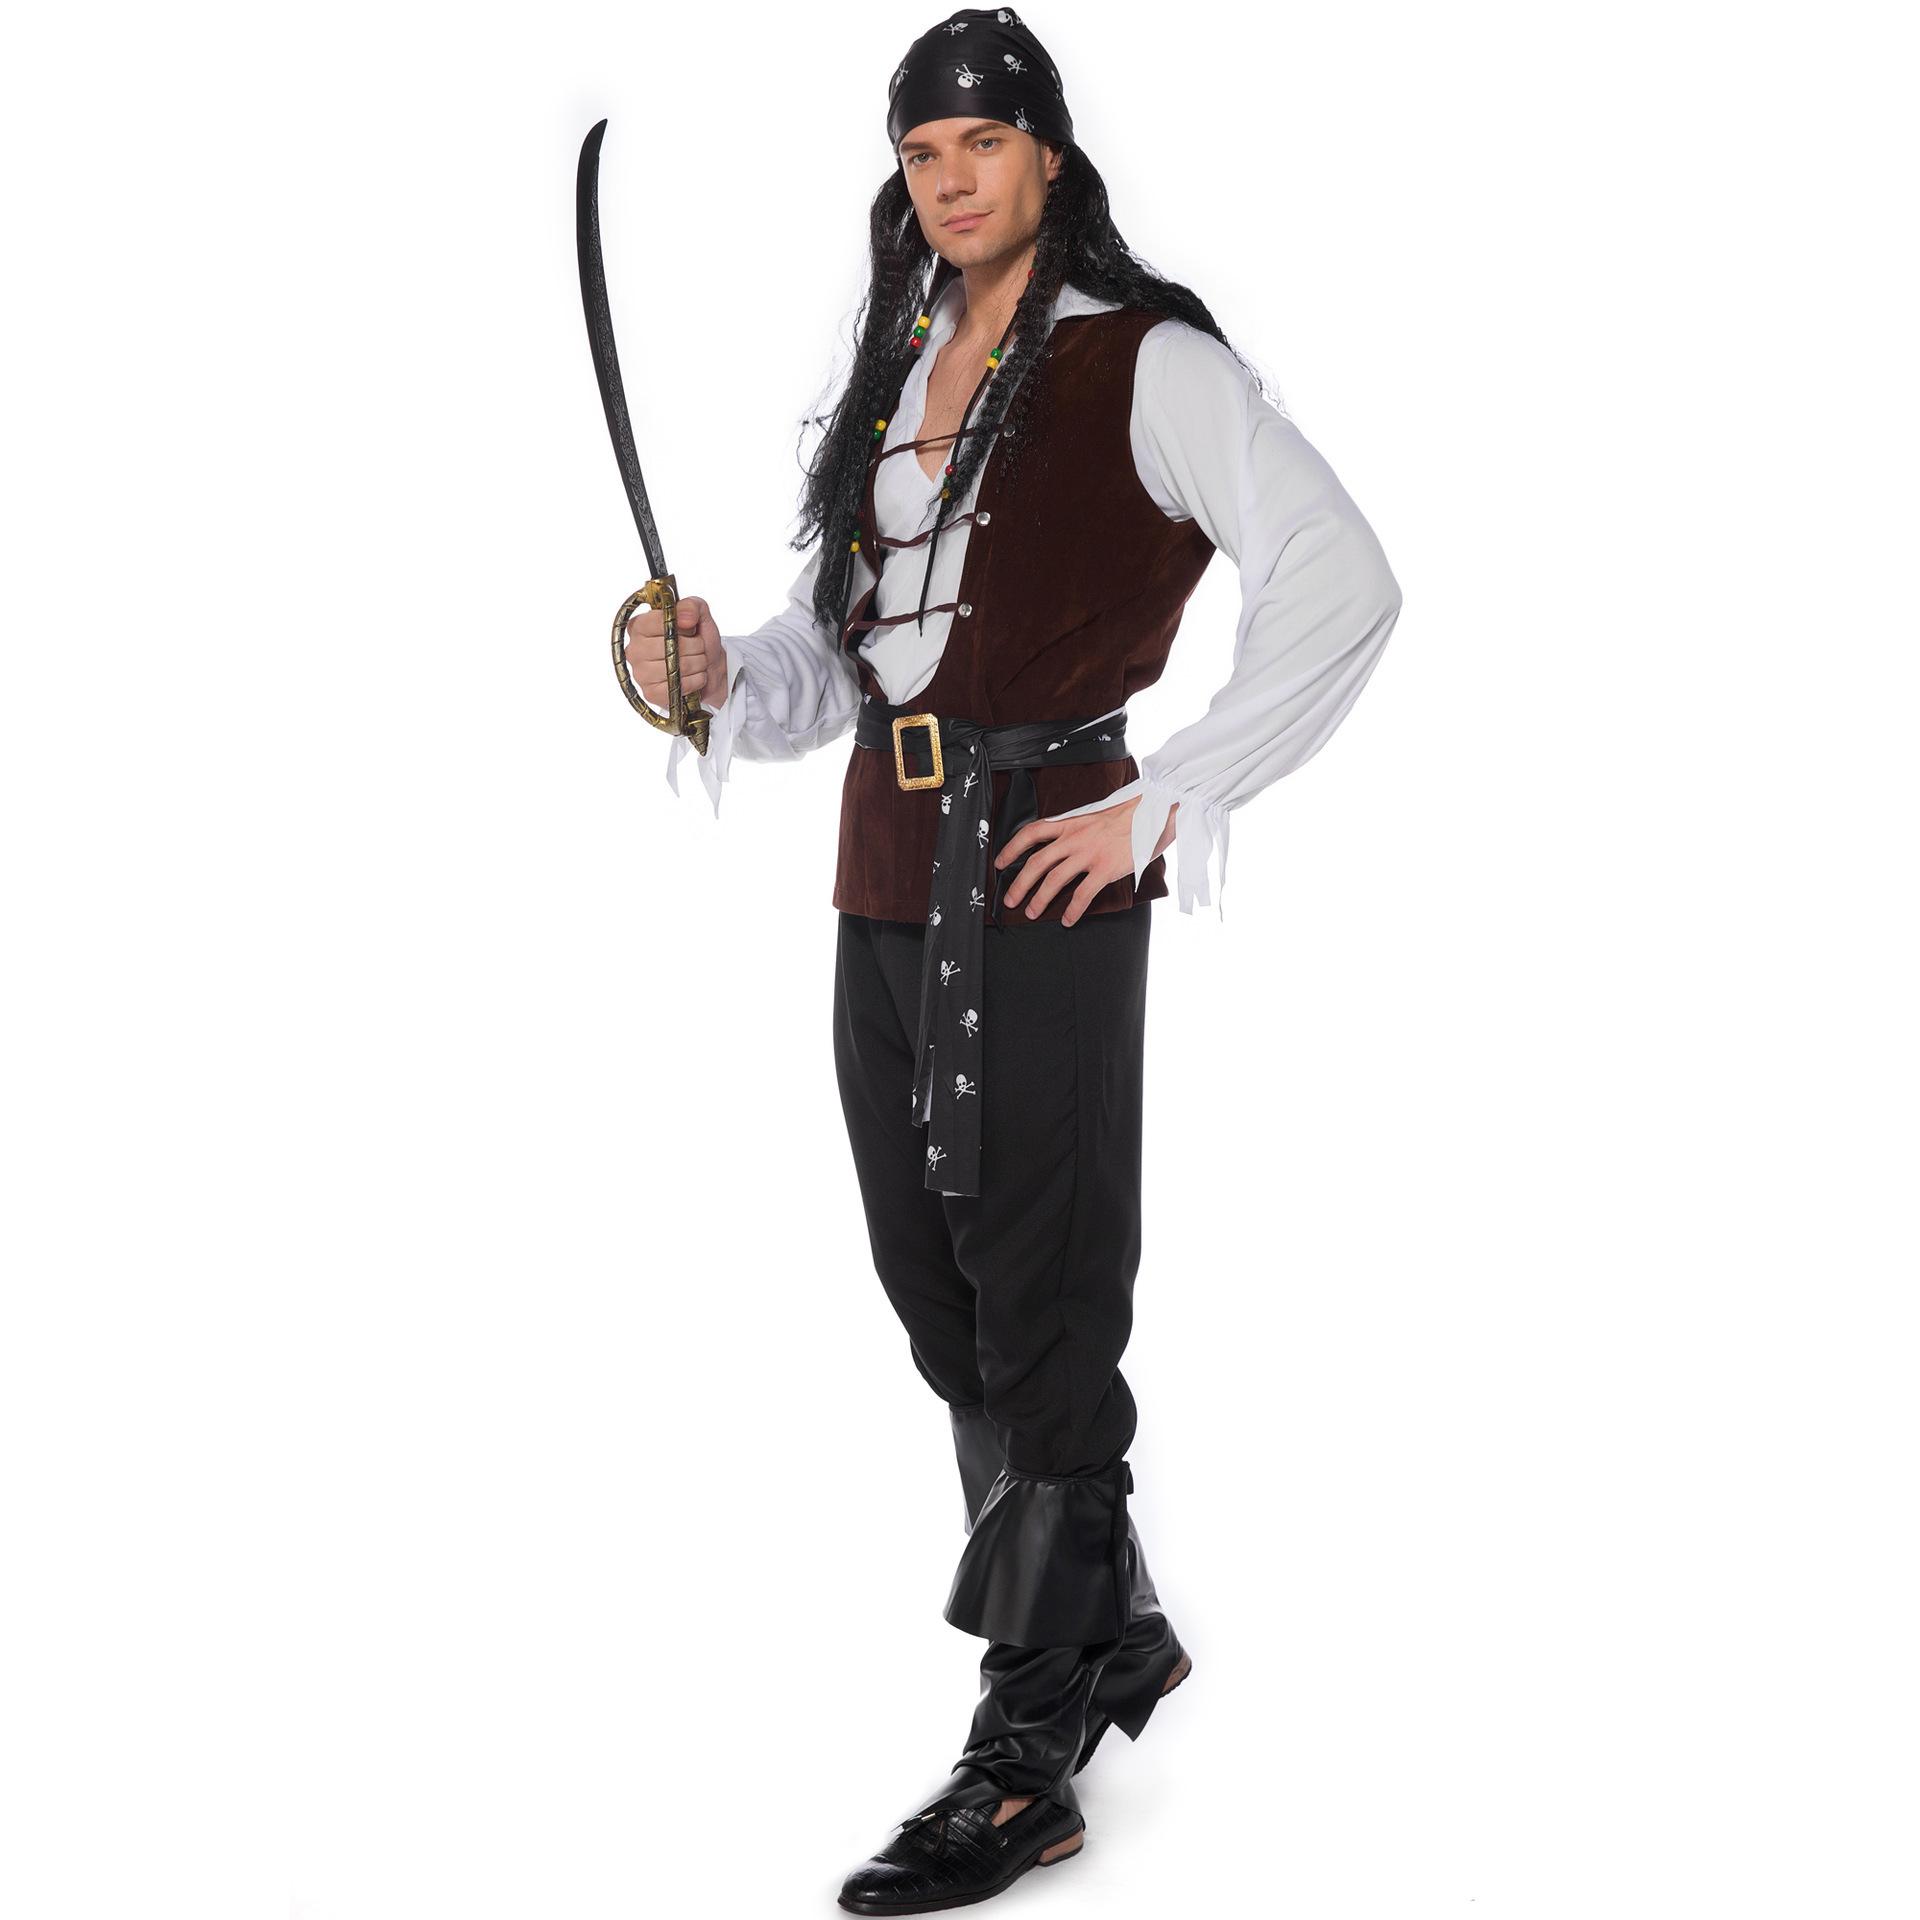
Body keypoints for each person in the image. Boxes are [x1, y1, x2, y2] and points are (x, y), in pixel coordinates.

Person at [624, 9, 1402, 1910]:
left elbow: (1343, 575)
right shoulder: (903, 365)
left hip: (1043, 877)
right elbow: (842, 666)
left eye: (982, 142)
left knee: (1042, 1298)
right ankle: (1108, 1619)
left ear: (1049, 151)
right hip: (885, 870)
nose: (950, 178)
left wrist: (1164, 799)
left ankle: (1028, 1750)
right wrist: (712, 672)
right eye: (921, 153)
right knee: (936, 1286)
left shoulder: (1146, 361)